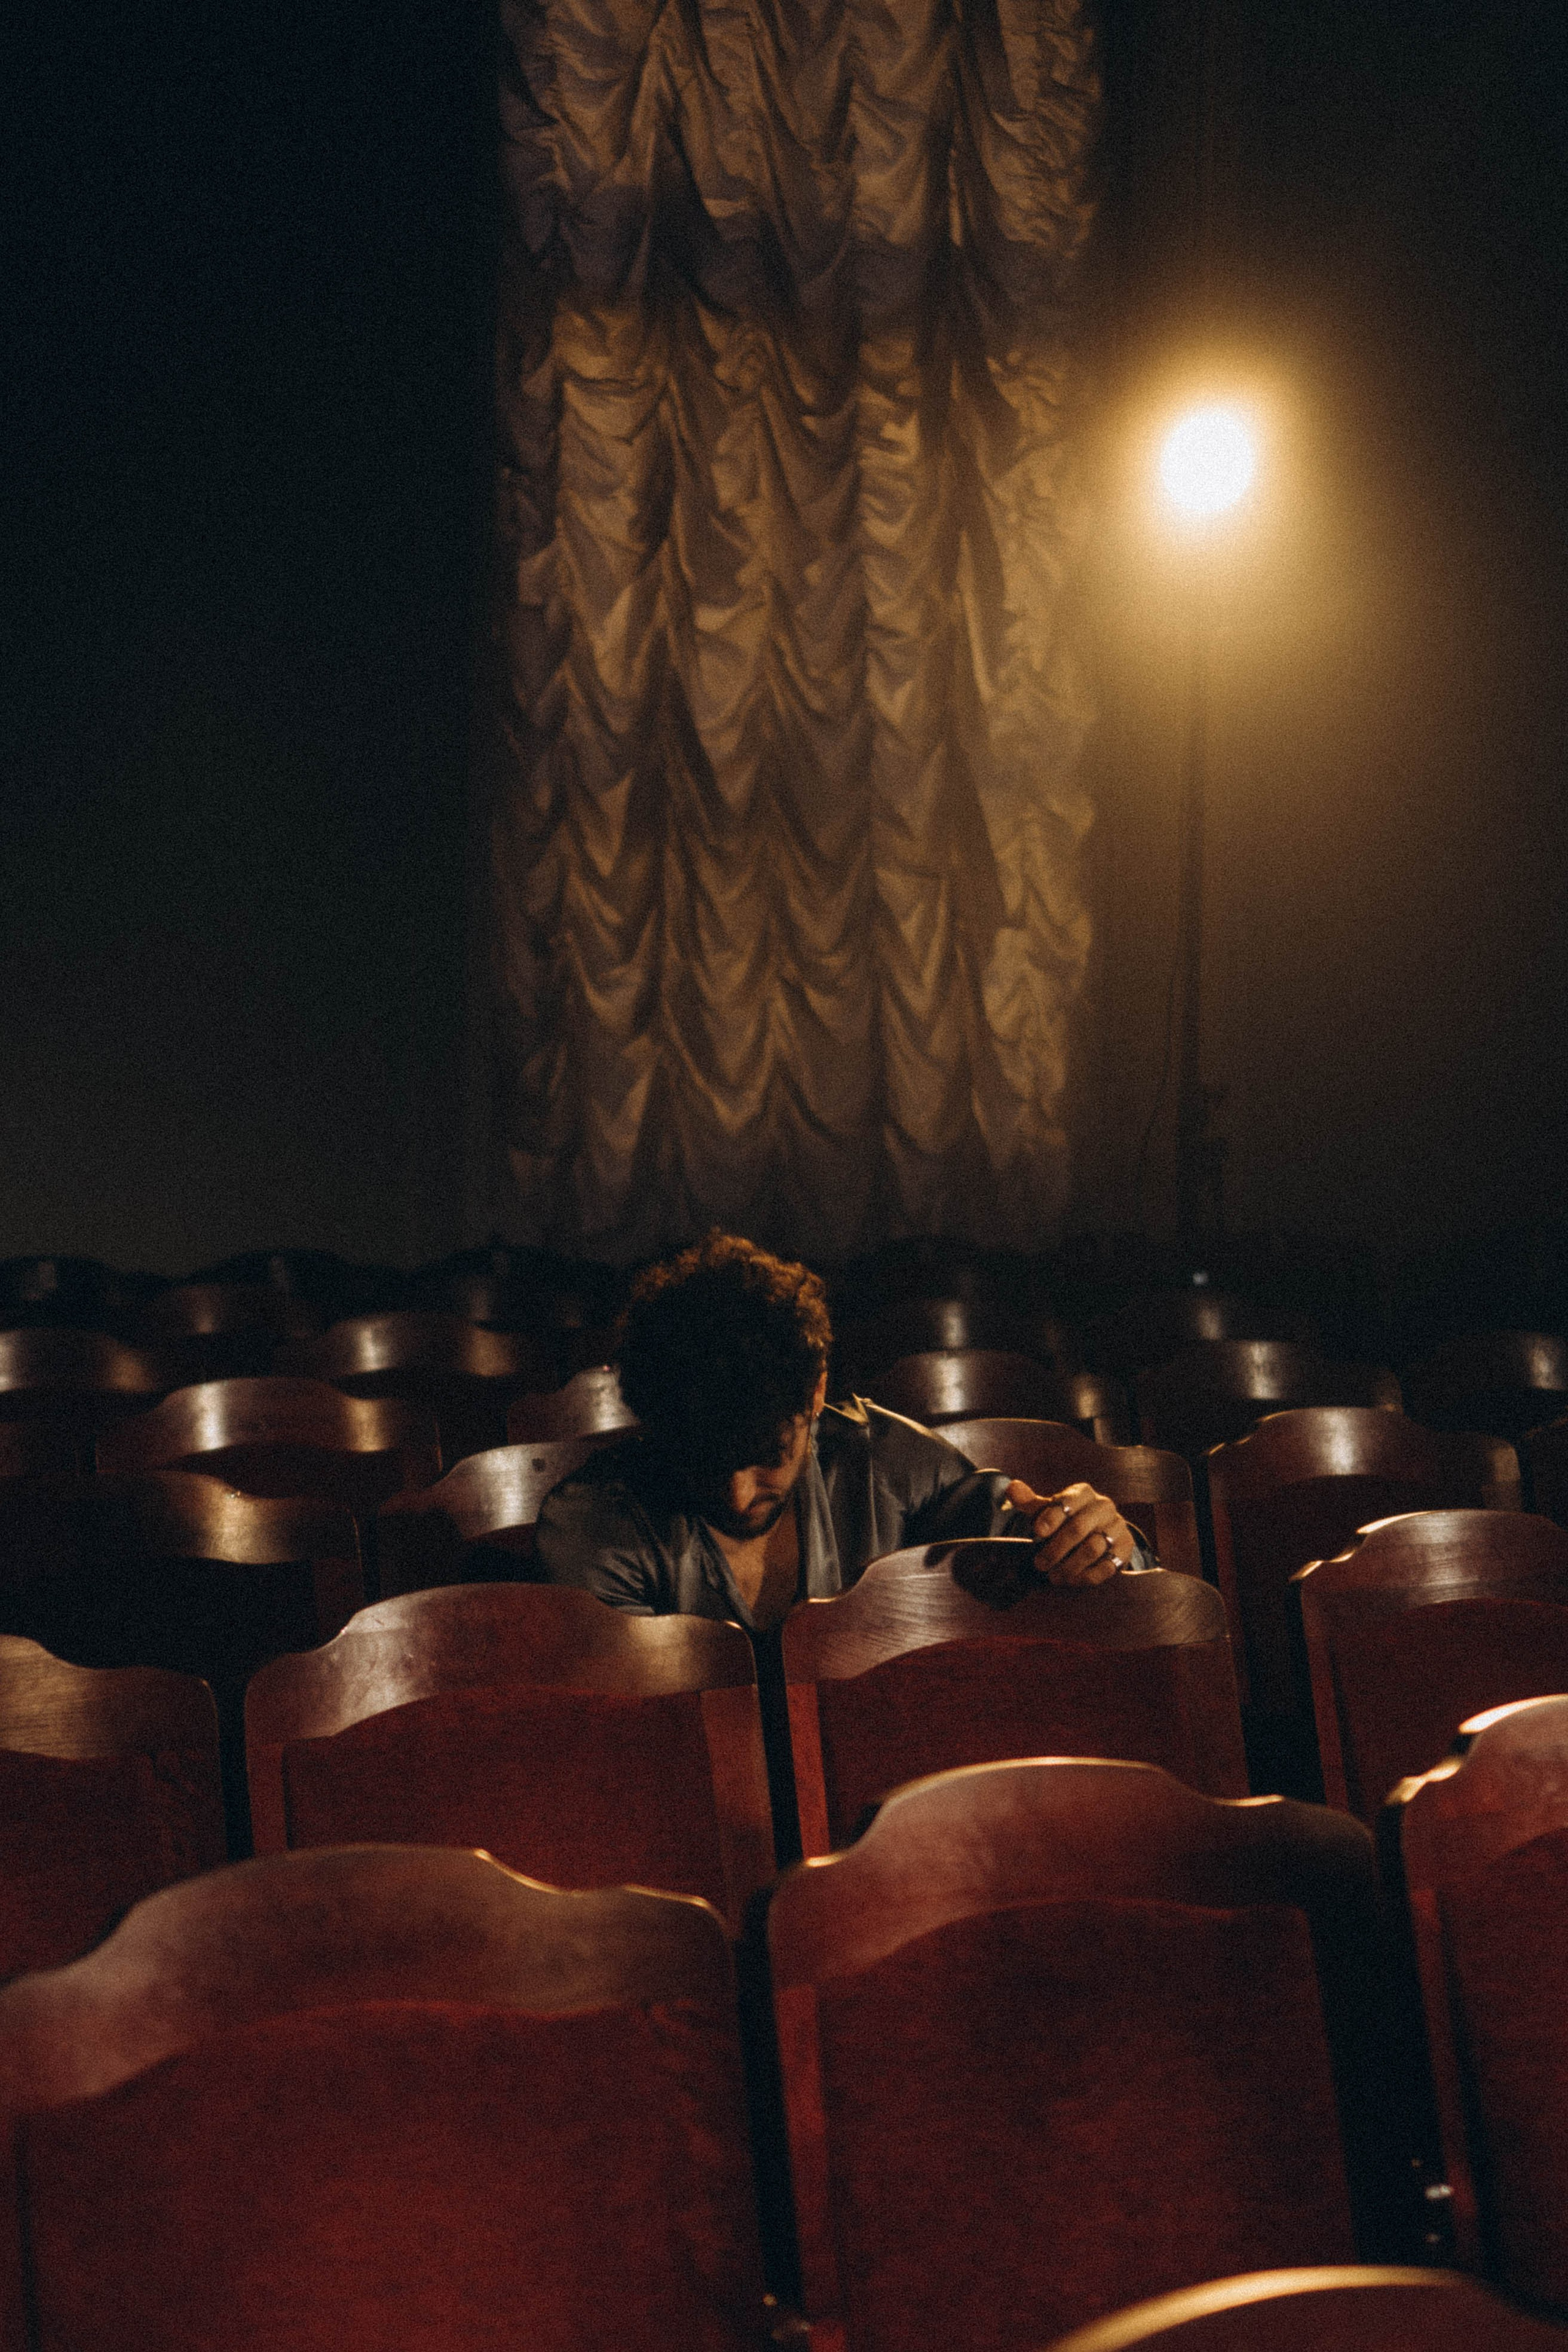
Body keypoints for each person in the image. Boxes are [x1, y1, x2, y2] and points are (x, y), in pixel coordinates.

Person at [535, 1231, 1152, 1630]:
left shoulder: (884, 1461)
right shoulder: (594, 1521)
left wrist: (1094, 1542)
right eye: (704, 1462)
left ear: (816, 1393)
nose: (737, 1495)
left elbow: (1092, 1566)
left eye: (766, 1457)